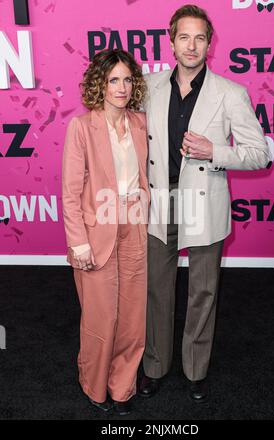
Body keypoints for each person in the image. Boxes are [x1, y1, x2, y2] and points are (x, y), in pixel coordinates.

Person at [139, 4, 271, 402]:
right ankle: (155, 365)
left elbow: (259, 154)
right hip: (160, 202)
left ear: (209, 44)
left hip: (205, 201)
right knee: (157, 290)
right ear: (171, 40)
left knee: (203, 290)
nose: (191, 45)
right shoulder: (148, 87)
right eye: (184, 37)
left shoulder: (231, 93)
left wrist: (217, 150)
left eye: (199, 37)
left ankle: (196, 370)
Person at [62, 49, 149, 415]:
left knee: (132, 317)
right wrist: (78, 242)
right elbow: (69, 192)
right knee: (101, 316)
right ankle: (94, 386)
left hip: (135, 225)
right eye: (114, 79)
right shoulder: (82, 127)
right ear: (101, 83)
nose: (122, 87)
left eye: (127, 79)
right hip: (95, 232)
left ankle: (122, 387)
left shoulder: (141, 123)